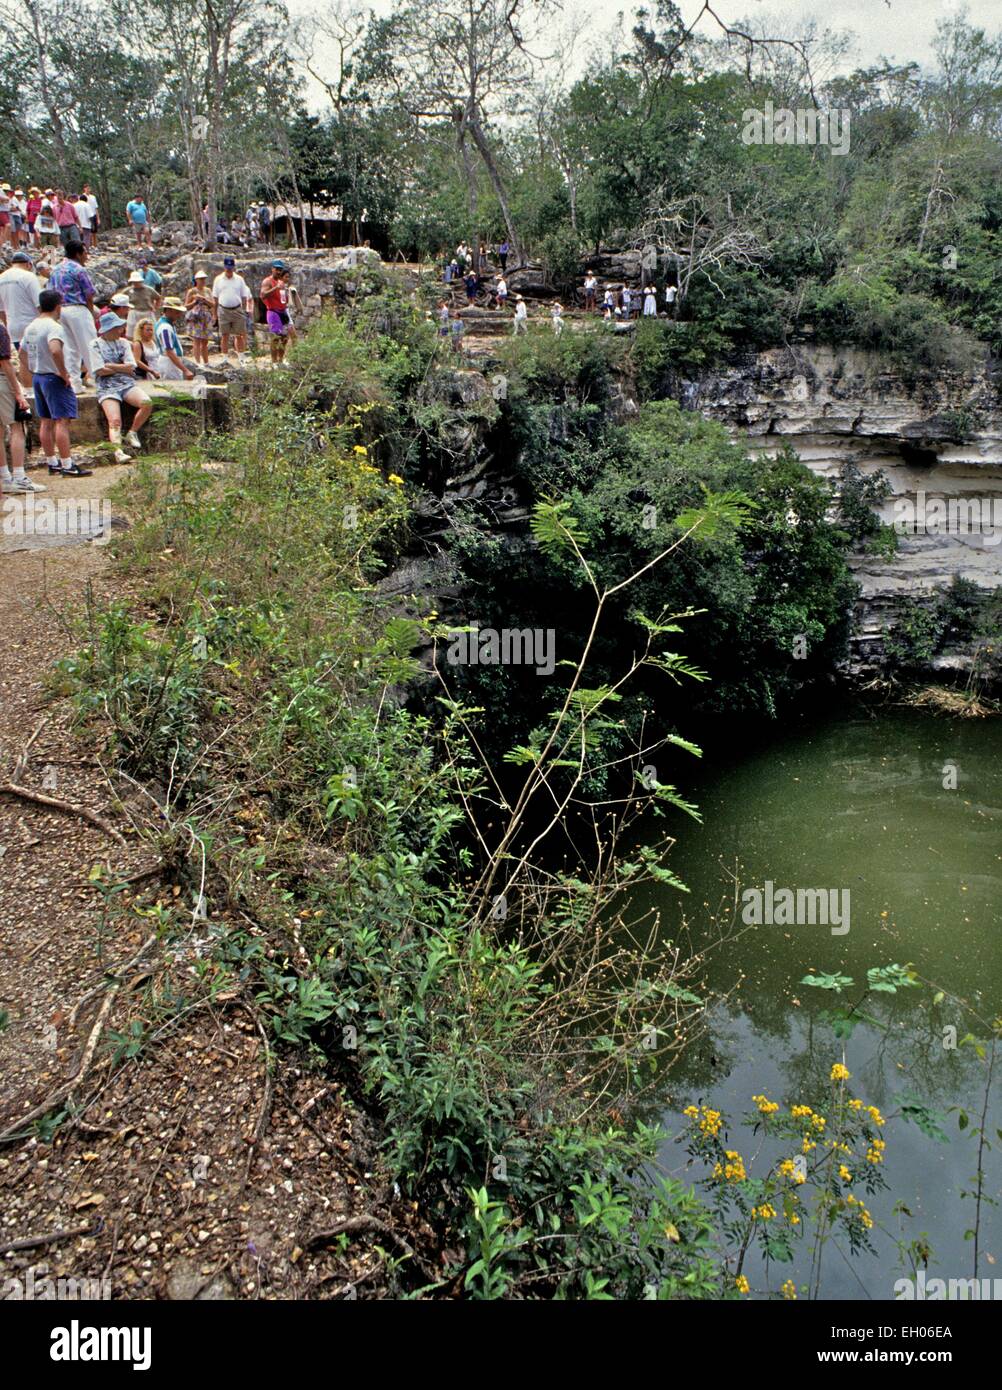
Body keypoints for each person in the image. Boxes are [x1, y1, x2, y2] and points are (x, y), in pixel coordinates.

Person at [19, 289, 92, 476]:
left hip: (38, 376)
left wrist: (32, 369)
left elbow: (22, 353)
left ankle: (52, 462)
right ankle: (67, 464)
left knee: (46, 421)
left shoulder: (31, 326)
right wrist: (63, 373)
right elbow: (55, 350)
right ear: (58, 306)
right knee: (62, 420)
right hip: (53, 377)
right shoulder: (54, 327)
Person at [93, 311, 154, 462]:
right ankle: (118, 451)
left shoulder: (124, 343)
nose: (121, 330)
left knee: (147, 403)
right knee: (114, 420)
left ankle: (132, 431)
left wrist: (110, 366)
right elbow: (99, 369)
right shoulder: (95, 344)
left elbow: (131, 366)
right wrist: (121, 367)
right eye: (117, 327)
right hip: (106, 386)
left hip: (126, 383)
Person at [46, 241, 99, 392]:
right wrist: (90, 312)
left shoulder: (56, 269)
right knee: (90, 344)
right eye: (85, 253)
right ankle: (98, 379)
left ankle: (75, 383)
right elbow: (89, 293)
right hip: (78, 308)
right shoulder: (78, 269)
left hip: (61, 310)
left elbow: (50, 291)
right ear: (78, 254)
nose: (86, 256)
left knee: (70, 348)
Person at [0, 316, 40, 493]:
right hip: (3, 382)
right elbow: (5, 362)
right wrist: (17, 391)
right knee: (18, 426)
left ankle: (5, 477)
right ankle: (18, 476)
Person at [211, 256, 252, 361]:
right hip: (223, 309)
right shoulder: (218, 279)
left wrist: (242, 310)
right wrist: (214, 314)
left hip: (237, 309)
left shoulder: (239, 279)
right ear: (224, 267)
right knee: (225, 335)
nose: (229, 270)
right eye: (227, 267)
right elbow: (215, 298)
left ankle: (241, 357)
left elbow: (244, 296)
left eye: (231, 267)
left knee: (239, 334)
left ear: (233, 267)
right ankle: (225, 358)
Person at [0, 251, 43, 348]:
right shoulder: (28, 276)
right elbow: (40, 304)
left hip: (13, 328)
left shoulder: (1, 278)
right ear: (29, 264)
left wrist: (8, 327)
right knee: (36, 360)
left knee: (23, 359)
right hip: (31, 325)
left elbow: (1, 310)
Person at [152, 298, 195, 380]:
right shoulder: (165, 328)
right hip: (169, 364)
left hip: (171, 362)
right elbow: (169, 351)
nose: (179, 315)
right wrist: (185, 370)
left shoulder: (166, 324)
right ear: (168, 310)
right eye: (176, 312)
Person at [259, 261, 292, 364]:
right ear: (272, 269)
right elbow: (263, 295)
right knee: (275, 338)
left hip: (283, 311)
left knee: (285, 338)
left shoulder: (282, 282)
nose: (278, 271)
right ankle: (274, 362)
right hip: (273, 311)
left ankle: (280, 360)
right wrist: (276, 288)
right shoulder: (267, 281)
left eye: (280, 269)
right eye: (276, 269)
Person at [184, 270, 213, 364]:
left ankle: (206, 362)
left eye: (204, 279)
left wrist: (204, 300)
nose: (203, 281)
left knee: (205, 341)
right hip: (196, 317)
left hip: (206, 316)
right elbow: (186, 306)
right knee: (196, 340)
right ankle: (197, 362)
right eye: (201, 279)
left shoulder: (208, 290)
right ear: (196, 280)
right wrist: (195, 302)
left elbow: (213, 304)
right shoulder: (192, 291)